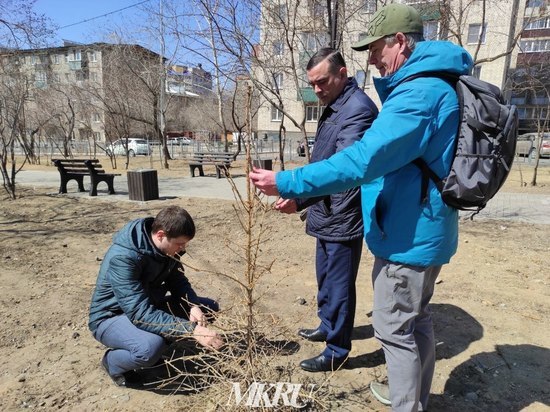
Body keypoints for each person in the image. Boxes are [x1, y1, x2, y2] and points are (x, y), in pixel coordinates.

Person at [250, 3, 473, 411]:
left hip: (411, 234)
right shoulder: (426, 86)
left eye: (374, 49)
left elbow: (361, 160)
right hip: (417, 226)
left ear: (400, 42)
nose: (370, 59)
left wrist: (287, 182)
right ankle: (414, 398)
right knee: (414, 321)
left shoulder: (419, 95)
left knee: (393, 329)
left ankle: (407, 404)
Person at [275, 48, 378, 373]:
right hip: (325, 209)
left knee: (339, 284)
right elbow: (323, 164)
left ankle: (337, 349)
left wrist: (295, 190)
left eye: (322, 81)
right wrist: (302, 201)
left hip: (343, 214)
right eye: (313, 84)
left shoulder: (358, 109)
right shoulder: (335, 105)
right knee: (325, 278)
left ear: (343, 73)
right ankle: (327, 325)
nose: (317, 89)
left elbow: (342, 169)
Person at [88, 205, 223, 388]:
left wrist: (193, 305)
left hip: (148, 305)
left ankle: (159, 345)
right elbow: (139, 313)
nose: (183, 248)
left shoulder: (165, 248)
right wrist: (191, 330)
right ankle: (112, 362)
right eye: (180, 243)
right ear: (160, 235)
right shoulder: (124, 258)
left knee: (207, 308)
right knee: (149, 348)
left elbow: (177, 280)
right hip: (111, 317)